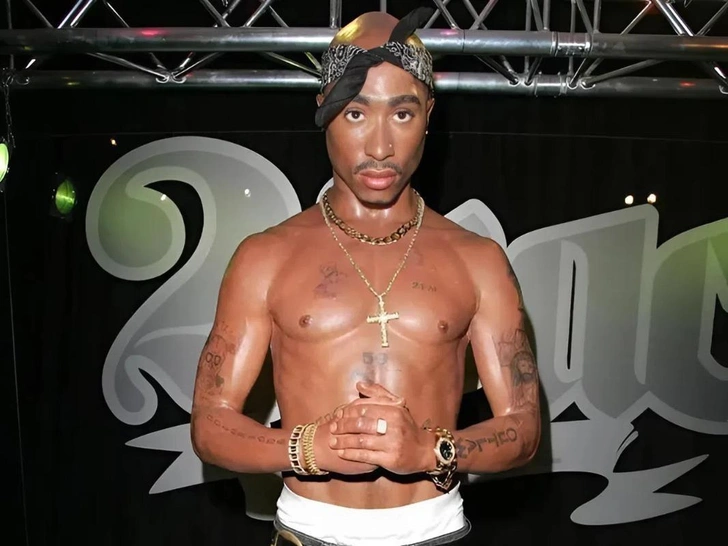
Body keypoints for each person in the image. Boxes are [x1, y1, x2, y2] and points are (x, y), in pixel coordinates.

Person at [190, 7, 540, 546]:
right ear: (324, 110)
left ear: (429, 114)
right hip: (309, 532)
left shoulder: (478, 260)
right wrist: (306, 449)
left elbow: (524, 426)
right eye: (356, 113)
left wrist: (431, 450)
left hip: (436, 530)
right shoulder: (266, 257)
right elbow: (210, 422)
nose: (380, 147)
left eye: (402, 113)